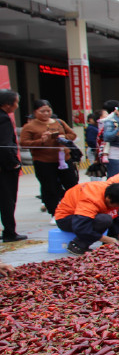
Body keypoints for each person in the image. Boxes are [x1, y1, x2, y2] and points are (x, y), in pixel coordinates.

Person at [19, 99, 79, 219]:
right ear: (35, 112)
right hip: (44, 161)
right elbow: (24, 144)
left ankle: (74, 209)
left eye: (48, 110)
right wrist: (41, 141)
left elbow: (72, 135)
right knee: (49, 187)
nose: (46, 113)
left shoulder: (59, 122)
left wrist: (63, 137)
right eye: (42, 111)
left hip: (64, 159)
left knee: (71, 184)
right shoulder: (29, 126)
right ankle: (54, 212)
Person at [54, 181, 119, 255]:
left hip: (89, 214)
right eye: (116, 205)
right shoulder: (90, 200)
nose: (117, 207)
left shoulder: (112, 191)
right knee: (104, 219)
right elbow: (80, 227)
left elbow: (118, 211)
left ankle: (115, 238)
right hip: (67, 218)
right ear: (108, 199)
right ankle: (78, 245)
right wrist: (105, 239)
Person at [0, 90, 24, 243]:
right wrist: (14, 164)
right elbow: (5, 145)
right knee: (7, 200)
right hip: (4, 168)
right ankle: (10, 232)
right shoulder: (3, 119)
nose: (16, 106)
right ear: (8, 104)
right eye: (16, 102)